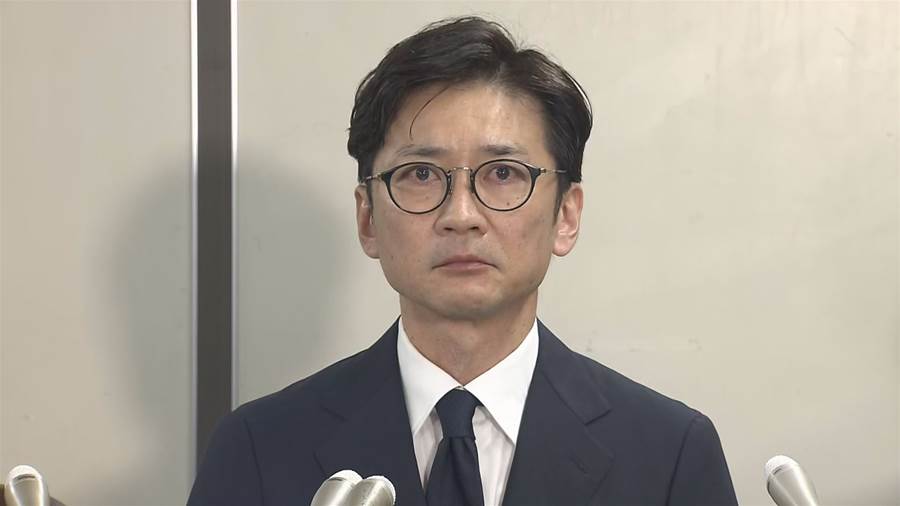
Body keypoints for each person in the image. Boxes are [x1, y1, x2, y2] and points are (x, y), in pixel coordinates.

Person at [188, 16, 738, 506]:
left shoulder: (670, 455)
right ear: (368, 218)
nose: (461, 215)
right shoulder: (258, 449)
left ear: (566, 216)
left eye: (503, 173)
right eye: (420, 174)